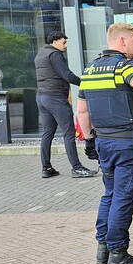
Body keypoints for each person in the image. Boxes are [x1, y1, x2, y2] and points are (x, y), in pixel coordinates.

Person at [76, 22, 133, 264]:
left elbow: (82, 110)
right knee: (124, 197)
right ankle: (118, 254)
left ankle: (103, 247)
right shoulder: (124, 66)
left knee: (110, 194)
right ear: (122, 41)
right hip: (126, 143)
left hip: (104, 143)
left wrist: (89, 139)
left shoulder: (90, 70)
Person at [34, 32, 95, 178]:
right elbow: (66, 75)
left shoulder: (40, 54)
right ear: (55, 41)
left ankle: (46, 168)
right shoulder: (54, 54)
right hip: (55, 98)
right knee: (68, 133)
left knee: (48, 132)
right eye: (64, 42)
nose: (66, 46)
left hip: (42, 97)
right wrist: (86, 82)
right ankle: (77, 168)